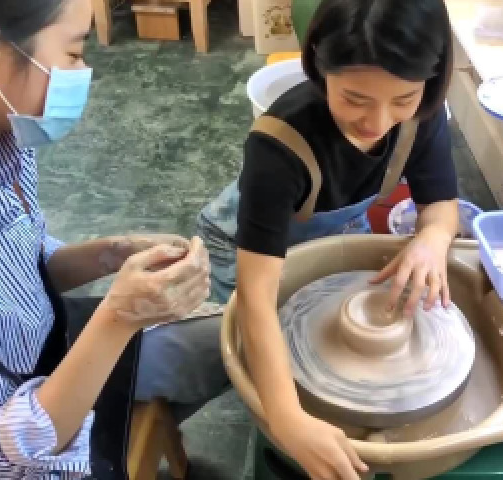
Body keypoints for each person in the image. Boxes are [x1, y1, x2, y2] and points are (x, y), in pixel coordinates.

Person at [0, 0, 228, 478]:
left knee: (230, 341)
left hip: (38, 346)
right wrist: (119, 318)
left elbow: (17, 263)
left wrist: (110, 254)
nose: (83, 72)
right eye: (74, 53)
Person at [197, 0, 458, 478]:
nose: (378, 121)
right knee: (247, 355)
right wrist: (286, 419)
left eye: (402, 99)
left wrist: (432, 238)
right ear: (319, 63)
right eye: (355, 99)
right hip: (241, 242)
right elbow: (256, 297)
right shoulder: (277, 148)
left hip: (337, 226)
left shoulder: (422, 116)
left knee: (346, 327)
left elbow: (441, 203)